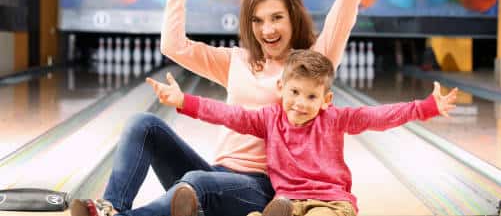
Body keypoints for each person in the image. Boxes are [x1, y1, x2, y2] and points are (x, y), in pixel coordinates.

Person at [70, 0, 391, 216]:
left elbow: (348, 1)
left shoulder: (312, 64)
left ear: (293, 17)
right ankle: (112, 207)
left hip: (262, 190)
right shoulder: (237, 61)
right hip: (215, 177)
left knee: (196, 181)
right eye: (258, 20)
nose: (267, 29)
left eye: (277, 18)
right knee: (144, 124)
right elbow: (173, 46)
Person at [146, 49, 458, 216]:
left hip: (330, 203)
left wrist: (426, 107)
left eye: (311, 97)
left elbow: (379, 115)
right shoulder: (270, 118)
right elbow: (231, 115)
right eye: (295, 92)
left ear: (327, 100)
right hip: (286, 203)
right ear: (281, 89)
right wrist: (184, 100)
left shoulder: (335, 119)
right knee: (277, 211)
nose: (301, 103)